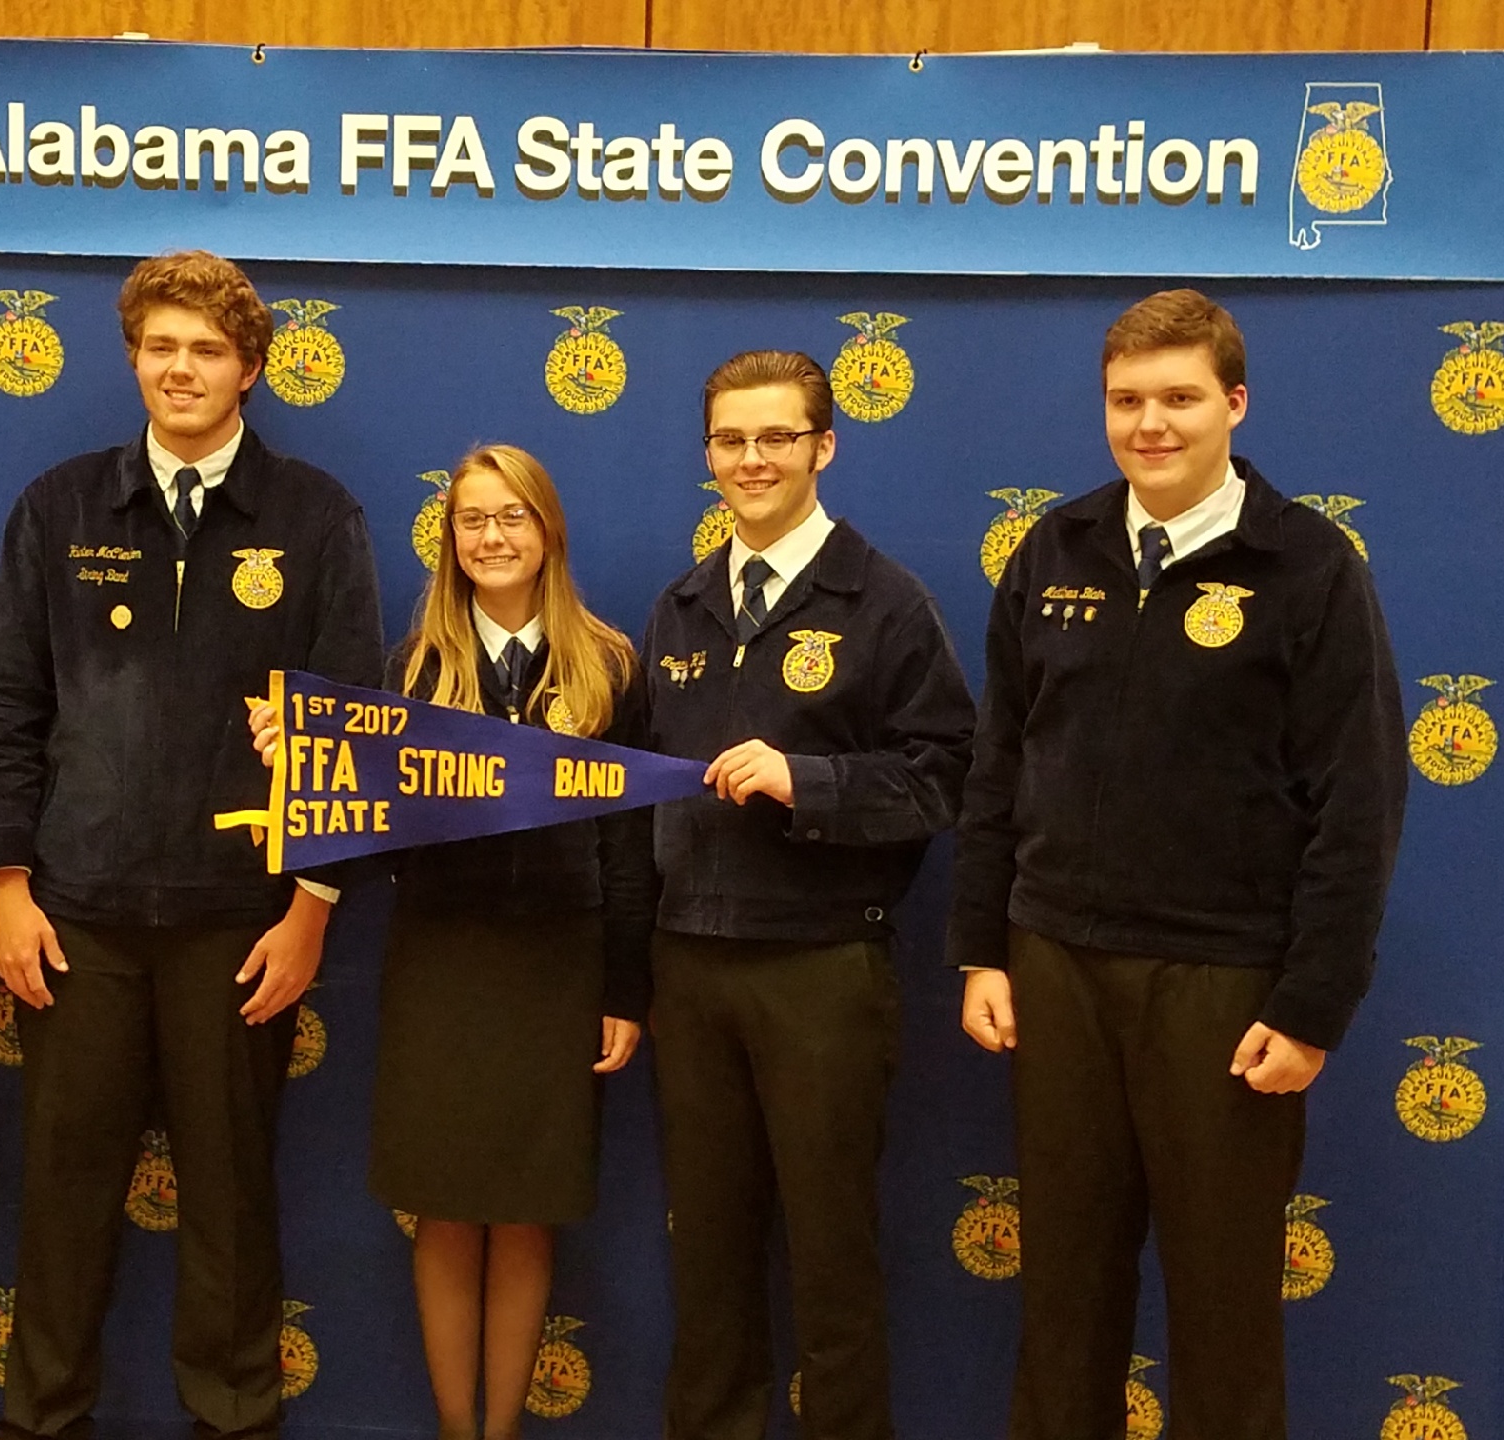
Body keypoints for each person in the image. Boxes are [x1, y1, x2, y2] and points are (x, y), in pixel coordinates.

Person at [949, 289, 1407, 1440]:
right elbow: (997, 765)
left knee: (1222, 1309)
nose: (1150, 424)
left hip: (1225, 991)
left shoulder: (1308, 567)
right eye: (1127, 401)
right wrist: (980, 951)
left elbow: (1361, 804)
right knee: (1063, 1299)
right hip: (1054, 968)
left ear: (1234, 404)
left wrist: (1311, 1007)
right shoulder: (1056, 545)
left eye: (1179, 399)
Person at [0, 250, 385, 1440]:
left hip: (240, 929)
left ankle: (236, 1420)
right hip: (74, 920)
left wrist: (311, 907)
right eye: (161, 346)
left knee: (236, 1208)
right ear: (134, 357)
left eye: (207, 349)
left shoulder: (313, 516)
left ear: (250, 367)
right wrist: (4, 884)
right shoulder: (60, 507)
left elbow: (351, 730)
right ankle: (41, 1419)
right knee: (61, 1201)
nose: (181, 368)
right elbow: (0, 709)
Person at [642, 350, 977, 1440]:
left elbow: (946, 776)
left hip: (824, 970)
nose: (752, 460)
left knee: (832, 1256)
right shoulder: (682, 608)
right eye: (731, 441)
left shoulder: (884, 603)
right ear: (708, 457)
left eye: (776, 438)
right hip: (689, 965)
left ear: (823, 447)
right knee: (709, 1258)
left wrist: (810, 782)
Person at [363, 443, 654, 1440]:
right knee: (445, 1208)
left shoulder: (610, 664)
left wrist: (625, 985)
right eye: (472, 520)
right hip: (442, 965)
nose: (492, 537)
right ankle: (456, 1431)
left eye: (512, 517)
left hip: (557, 968)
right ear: (448, 540)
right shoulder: (408, 672)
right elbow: (362, 840)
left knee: (527, 1208)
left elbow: (630, 843)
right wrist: (299, 771)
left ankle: (503, 1434)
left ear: (548, 532)